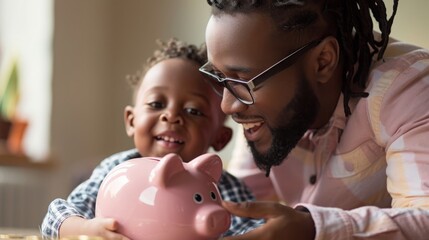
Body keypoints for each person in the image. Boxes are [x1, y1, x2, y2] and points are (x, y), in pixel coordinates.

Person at [200, 0, 429, 239]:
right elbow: (246, 205)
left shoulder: (409, 87)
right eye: (219, 78)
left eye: (241, 81)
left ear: (323, 61)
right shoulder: (256, 107)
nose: (227, 106)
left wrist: (313, 229)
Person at [40, 38, 263, 239]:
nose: (171, 116)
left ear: (221, 137)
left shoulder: (224, 188)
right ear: (131, 120)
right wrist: (88, 229)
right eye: (156, 104)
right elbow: (56, 218)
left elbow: (258, 231)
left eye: (193, 111)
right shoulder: (117, 172)